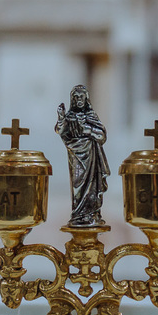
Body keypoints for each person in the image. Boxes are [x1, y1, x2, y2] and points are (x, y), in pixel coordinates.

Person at [55, 84, 109, 227]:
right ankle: (79, 215)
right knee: (78, 185)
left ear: (86, 98)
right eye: (76, 97)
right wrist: (61, 118)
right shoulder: (70, 117)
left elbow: (102, 135)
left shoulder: (91, 115)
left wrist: (87, 129)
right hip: (76, 157)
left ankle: (92, 214)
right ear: (72, 99)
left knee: (92, 186)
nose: (79, 99)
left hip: (91, 156)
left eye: (82, 96)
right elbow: (62, 131)